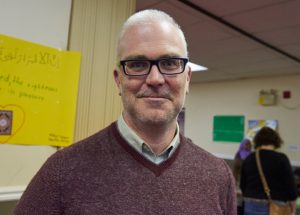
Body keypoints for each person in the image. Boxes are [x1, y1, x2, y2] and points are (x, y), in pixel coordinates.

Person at [14, 9, 237, 214]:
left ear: (187, 78)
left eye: (169, 63)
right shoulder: (62, 171)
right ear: (118, 80)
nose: (155, 79)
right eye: (138, 65)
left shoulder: (218, 176)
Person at [240, 127, 298, 215]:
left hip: (251, 203)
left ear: (257, 141)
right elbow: (290, 185)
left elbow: (242, 184)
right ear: (276, 140)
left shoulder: (250, 158)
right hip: (276, 205)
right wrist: (293, 203)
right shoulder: (281, 158)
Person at [233, 138, 252, 215]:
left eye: (249, 145)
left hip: (248, 184)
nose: (248, 146)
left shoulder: (252, 156)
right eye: (246, 144)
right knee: (238, 206)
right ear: (242, 145)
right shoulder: (238, 154)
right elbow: (235, 170)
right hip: (238, 182)